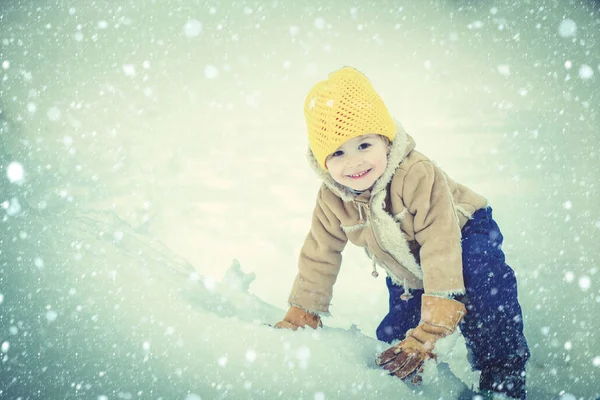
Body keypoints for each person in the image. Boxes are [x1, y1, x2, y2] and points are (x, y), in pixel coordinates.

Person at [274, 66, 530, 399]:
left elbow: (440, 241)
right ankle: (410, 386)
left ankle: (502, 377)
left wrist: (436, 323)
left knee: (482, 285)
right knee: (399, 337)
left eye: (363, 145)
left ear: (385, 140)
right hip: (406, 262)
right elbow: (320, 253)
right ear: (321, 162)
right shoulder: (332, 198)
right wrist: (303, 310)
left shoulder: (416, 173)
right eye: (337, 152)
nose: (353, 163)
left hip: (464, 234)